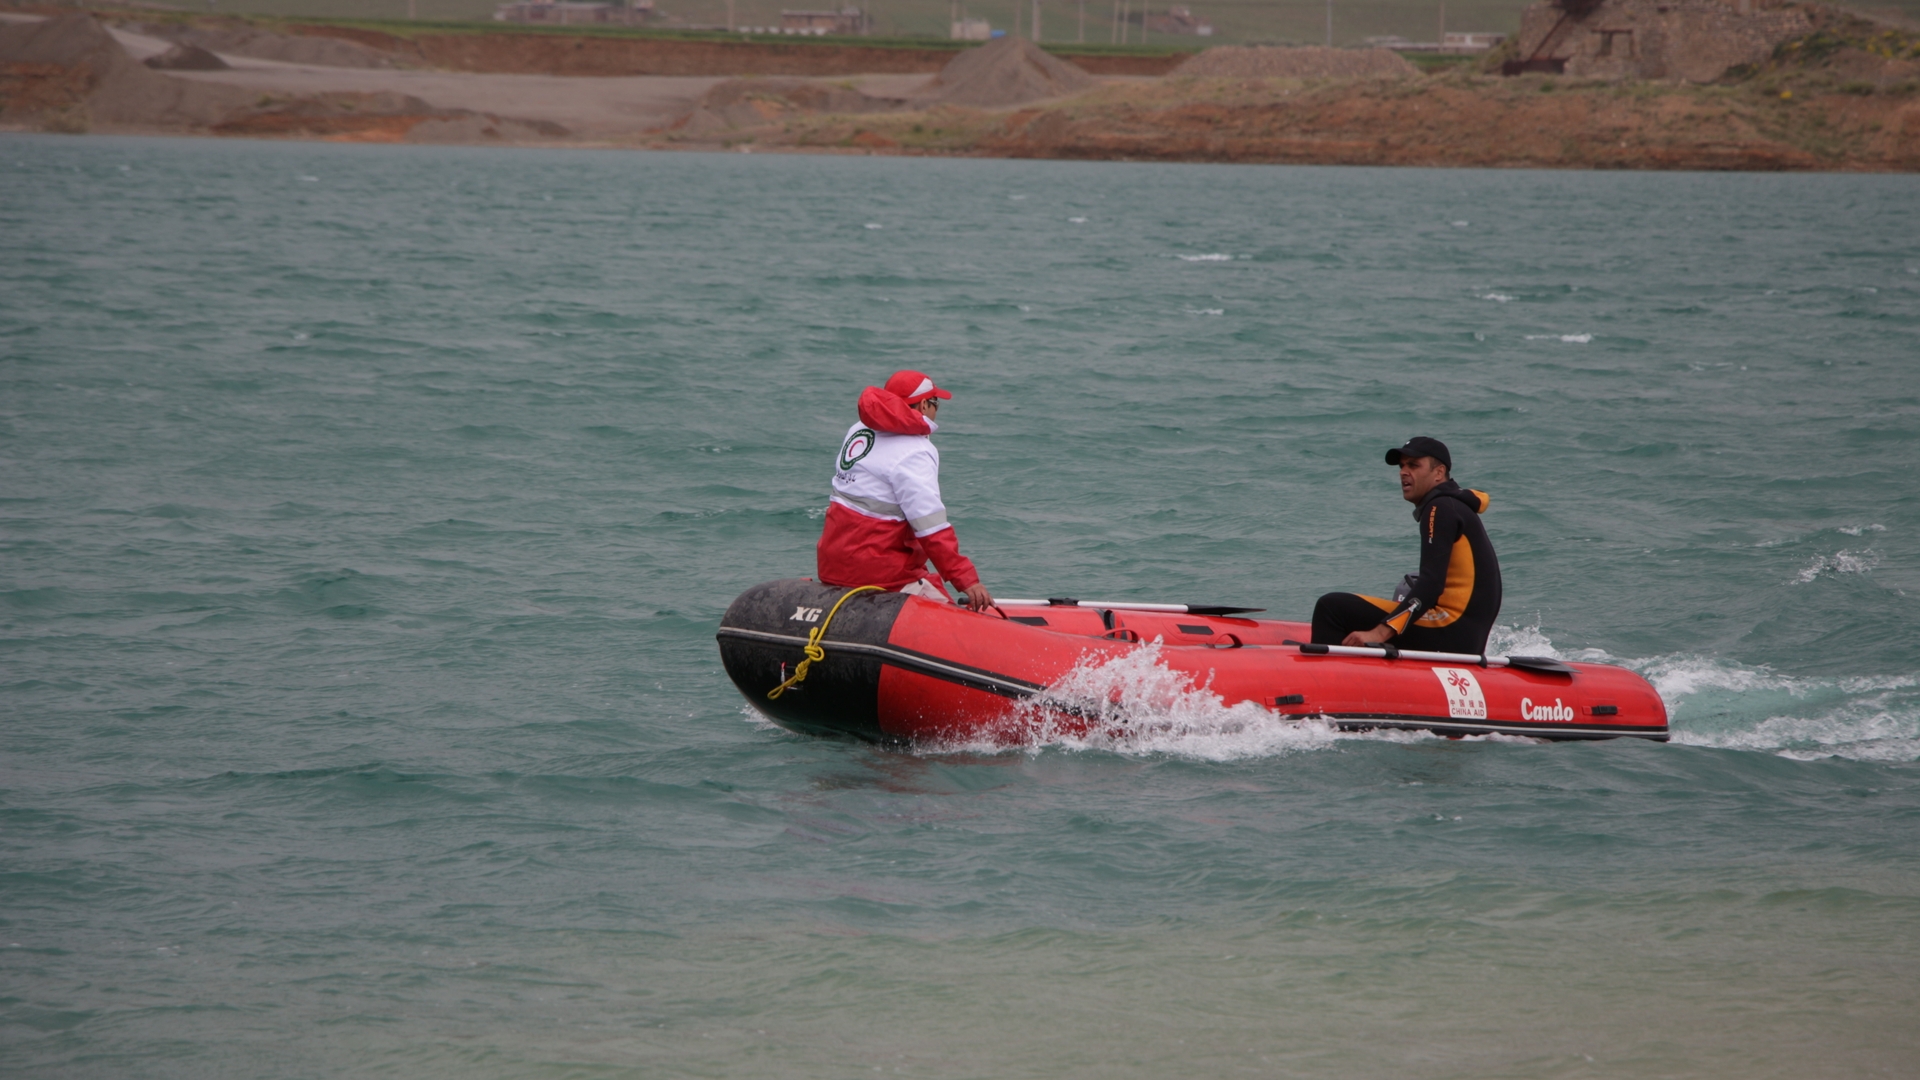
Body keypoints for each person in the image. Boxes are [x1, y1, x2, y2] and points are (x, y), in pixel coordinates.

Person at [815, 370, 994, 611]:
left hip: (833, 564)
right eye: (935, 403)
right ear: (923, 405)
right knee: (958, 626)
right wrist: (967, 581)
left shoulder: (859, 429)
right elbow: (931, 527)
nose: (936, 410)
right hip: (881, 574)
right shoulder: (914, 452)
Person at [1311, 436, 1502, 654]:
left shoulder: (1439, 508)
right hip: (1466, 635)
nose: (1403, 472)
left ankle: (1328, 682)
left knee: (1331, 608)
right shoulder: (1453, 506)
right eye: (1402, 466)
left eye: (1413, 465)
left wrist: (1381, 633)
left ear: (1439, 473)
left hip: (1450, 630)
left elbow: (1430, 585)